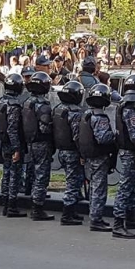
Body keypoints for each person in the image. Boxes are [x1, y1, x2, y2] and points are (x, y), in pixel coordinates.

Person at [107, 77, 135, 237]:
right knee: (125, 187)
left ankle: (130, 217)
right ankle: (118, 224)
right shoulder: (130, 107)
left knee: (131, 186)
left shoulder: (126, 104)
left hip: (129, 151)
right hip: (129, 152)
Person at [77, 83, 116, 231]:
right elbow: (103, 138)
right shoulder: (100, 117)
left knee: (93, 187)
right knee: (99, 189)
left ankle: (94, 216)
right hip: (99, 156)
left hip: (88, 156)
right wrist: (115, 135)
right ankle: (96, 220)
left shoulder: (86, 114)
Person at [51, 80, 86, 225]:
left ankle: (72, 212)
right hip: (72, 152)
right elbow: (77, 136)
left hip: (62, 150)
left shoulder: (58, 108)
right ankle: (67, 214)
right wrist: (83, 153)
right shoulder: (75, 112)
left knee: (74, 180)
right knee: (72, 183)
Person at [0, 73, 26, 217]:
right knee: (14, 175)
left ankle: (5, 202)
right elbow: (12, 129)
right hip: (13, 144)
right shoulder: (14, 105)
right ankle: (11, 206)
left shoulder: (0, 101)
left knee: (6, 173)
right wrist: (17, 149)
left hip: (3, 142)